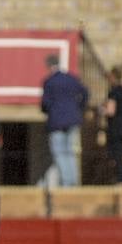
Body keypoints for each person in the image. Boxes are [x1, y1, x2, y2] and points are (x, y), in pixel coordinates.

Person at [39, 54, 89, 187]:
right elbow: (85, 93)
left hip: (56, 122)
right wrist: (78, 108)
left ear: (49, 66)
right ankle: (72, 181)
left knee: (60, 153)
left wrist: (48, 110)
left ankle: (67, 182)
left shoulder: (49, 82)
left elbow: (45, 103)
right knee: (70, 152)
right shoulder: (71, 78)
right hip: (72, 119)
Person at [101, 65, 122, 185]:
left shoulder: (113, 92)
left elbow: (110, 110)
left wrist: (101, 109)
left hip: (115, 127)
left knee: (117, 155)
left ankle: (121, 180)